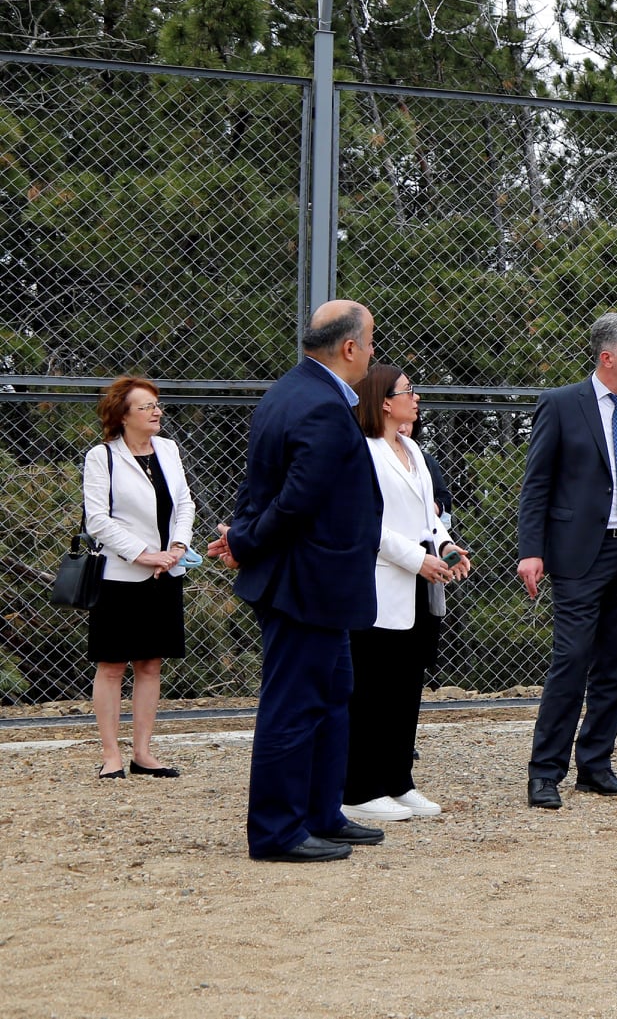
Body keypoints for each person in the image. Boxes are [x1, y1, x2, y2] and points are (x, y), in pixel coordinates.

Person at [207, 300, 385, 863]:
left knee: (331, 697)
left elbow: (259, 484)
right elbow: (296, 500)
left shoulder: (289, 392)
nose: (373, 353)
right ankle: (277, 832)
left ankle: (320, 814)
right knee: (293, 706)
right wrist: (244, 543)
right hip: (307, 584)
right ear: (350, 347)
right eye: (371, 342)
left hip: (314, 583)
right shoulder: (320, 406)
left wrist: (241, 533)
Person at [518, 312, 617, 808]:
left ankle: (596, 765)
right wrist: (531, 550)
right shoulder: (561, 404)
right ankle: (545, 772)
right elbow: (537, 484)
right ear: (608, 357)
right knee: (571, 660)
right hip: (578, 553)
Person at [341, 365, 470, 823]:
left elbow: (427, 517)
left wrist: (446, 547)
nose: (415, 398)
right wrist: (417, 559)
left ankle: (398, 782)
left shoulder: (412, 448)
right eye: (407, 391)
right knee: (371, 689)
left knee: (405, 687)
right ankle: (359, 789)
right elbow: (363, 523)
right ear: (383, 402)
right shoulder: (363, 451)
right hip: (379, 585)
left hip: (418, 585)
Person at [82, 376, 197, 780]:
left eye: (156, 405)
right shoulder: (102, 456)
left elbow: (184, 503)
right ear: (122, 415)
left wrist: (177, 547)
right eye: (146, 407)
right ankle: (111, 755)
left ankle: (143, 754)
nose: (156, 412)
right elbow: (98, 520)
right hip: (120, 575)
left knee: (150, 663)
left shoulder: (168, 449)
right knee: (112, 665)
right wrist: (143, 554)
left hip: (166, 572)